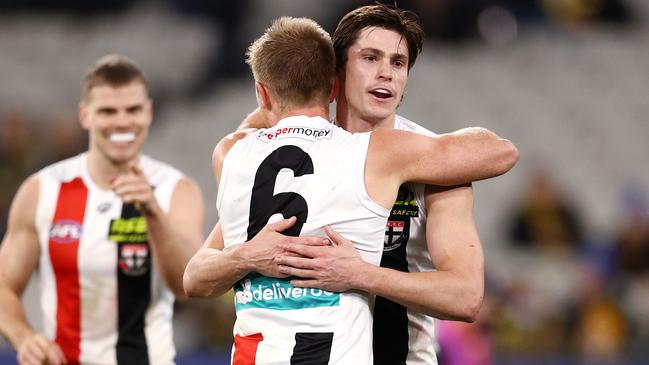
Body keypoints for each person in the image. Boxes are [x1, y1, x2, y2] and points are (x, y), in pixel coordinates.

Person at [183, 16, 517, 364]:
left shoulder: (437, 164)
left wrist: (361, 275)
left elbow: (465, 297)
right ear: (335, 75)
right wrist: (246, 256)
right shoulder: (292, 166)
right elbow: (200, 271)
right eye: (371, 58)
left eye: (398, 63)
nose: (386, 73)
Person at [0, 54, 205, 365]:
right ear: (85, 115)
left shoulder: (176, 190)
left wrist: (153, 214)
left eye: (133, 109)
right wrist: (25, 338)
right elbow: (3, 286)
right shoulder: (42, 190)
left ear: (148, 112)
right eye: (108, 111)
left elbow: (187, 285)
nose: (122, 122)